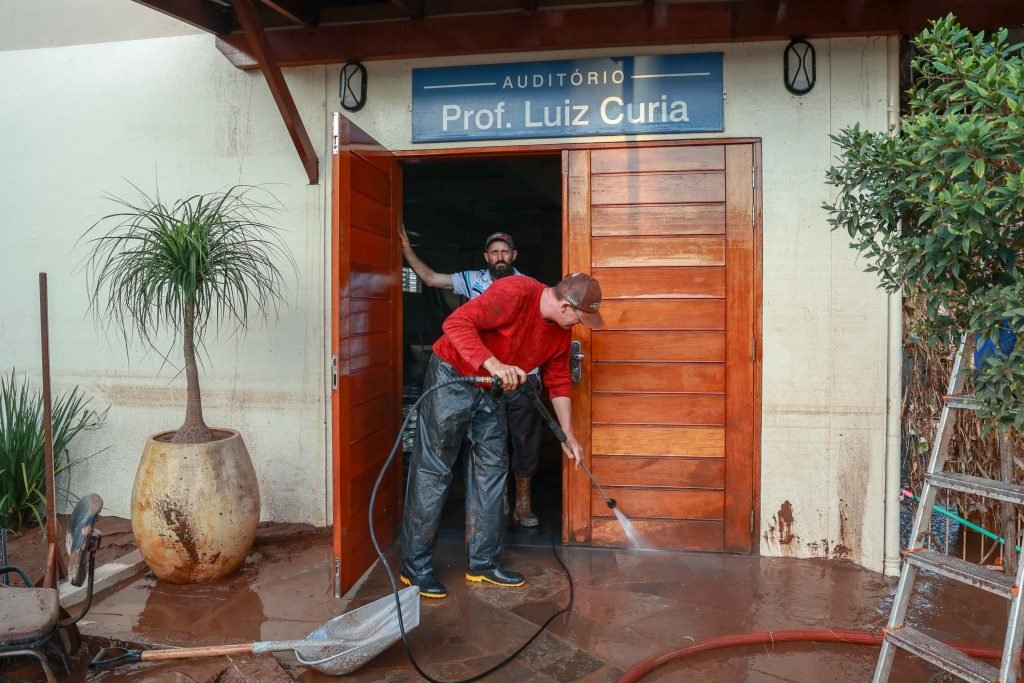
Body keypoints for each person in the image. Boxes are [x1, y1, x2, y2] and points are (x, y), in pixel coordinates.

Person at [399, 272, 604, 598]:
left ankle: (482, 562)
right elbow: (456, 324)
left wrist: (568, 434)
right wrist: (494, 364)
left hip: (491, 390)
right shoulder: (515, 292)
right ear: (566, 306)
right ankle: (415, 566)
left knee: (492, 468)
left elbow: (559, 378)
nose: (580, 324)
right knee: (435, 469)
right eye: (581, 316)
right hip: (454, 374)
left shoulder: (560, 333)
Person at [398, 225, 545, 528]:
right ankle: (497, 498)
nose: (500, 256)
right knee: (490, 439)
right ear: (486, 256)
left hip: (523, 375)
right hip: (484, 376)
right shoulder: (472, 279)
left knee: (525, 438)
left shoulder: (528, 284)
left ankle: (523, 501)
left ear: (514, 255)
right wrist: (406, 249)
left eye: (505, 251)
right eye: (495, 252)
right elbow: (430, 279)